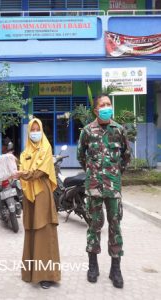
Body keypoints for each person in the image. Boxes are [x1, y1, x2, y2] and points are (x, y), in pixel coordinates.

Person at [77, 94, 131, 289]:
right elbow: (81, 157)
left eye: (109, 104)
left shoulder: (119, 130)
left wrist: (114, 174)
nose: (107, 107)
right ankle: (93, 266)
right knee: (94, 226)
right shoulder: (87, 131)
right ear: (96, 110)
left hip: (113, 189)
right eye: (103, 105)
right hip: (94, 189)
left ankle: (115, 269)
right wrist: (94, 174)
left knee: (115, 227)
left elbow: (126, 157)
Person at [16, 118, 61, 289]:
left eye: (37, 129)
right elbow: (22, 168)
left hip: (42, 193)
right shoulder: (24, 152)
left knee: (44, 231)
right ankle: (29, 272)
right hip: (29, 196)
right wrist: (20, 172)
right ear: (28, 132)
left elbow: (39, 171)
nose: (35, 132)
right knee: (31, 231)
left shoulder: (46, 148)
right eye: (32, 130)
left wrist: (22, 173)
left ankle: (46, 275)